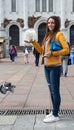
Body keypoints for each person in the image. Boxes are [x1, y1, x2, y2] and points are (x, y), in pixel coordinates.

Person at [24, 16, 69, 123]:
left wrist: (53, 53)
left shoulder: (59, 34)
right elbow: (42, 52)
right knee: (51, 90)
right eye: (49, 23)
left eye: (52, 22)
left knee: (55, 91)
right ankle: (54, 111)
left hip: (55, 67)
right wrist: (33, 42)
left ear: (56, 23)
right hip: (47, 67)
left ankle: (55, 114)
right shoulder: (47, 36)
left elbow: (66, 49)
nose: (50, 24)